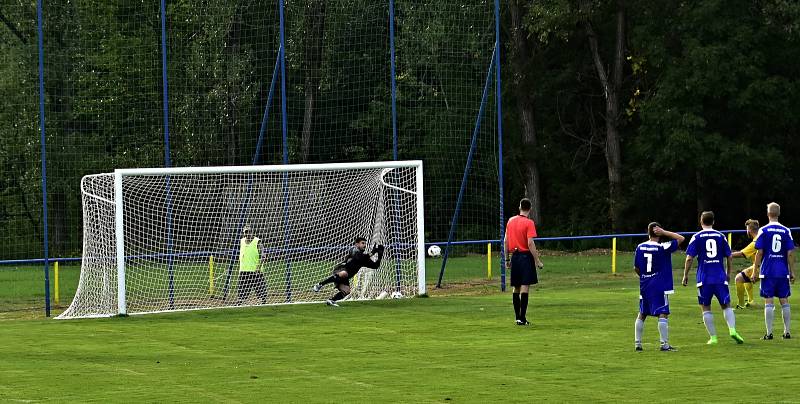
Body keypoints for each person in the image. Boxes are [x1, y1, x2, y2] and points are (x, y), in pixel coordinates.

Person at [682, 211, 744, 345]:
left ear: (701, 221)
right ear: (713, 222)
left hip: (704, 278)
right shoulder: (721, 236)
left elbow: (689, 258)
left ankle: (713, 337)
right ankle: (732, 330)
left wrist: (685, 275)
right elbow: (729, 256)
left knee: (705, 307)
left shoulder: (696, 237)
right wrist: (728, 273)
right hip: (720, 277)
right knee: (726, 305)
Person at [634, 222, 684, 352]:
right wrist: (665, 232)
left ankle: (638, 344)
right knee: (663, 313)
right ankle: (664, 344)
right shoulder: (663, 247)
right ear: (658, 232)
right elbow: (681, 238)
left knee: (643, 312)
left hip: (644, 284)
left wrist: (645, 277)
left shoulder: (640, 247)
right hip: (659, 285)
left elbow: (636, 268)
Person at [754, 202, 796, 340]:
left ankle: (769, 333)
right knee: (784, 300)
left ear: (768, 214)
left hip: (768, 271)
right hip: (782, 271)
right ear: (779, 214)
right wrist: (792, 272)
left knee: (769, 301)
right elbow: (790, 253)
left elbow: (759, 252)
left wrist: (755, 270)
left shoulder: (763, 230)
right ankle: (787, 332)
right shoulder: (786, 231)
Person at [504, 198, 544, 326]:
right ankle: (522, 318)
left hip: (514, 256)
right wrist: (537, 260)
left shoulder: (510, 221)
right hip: (525, 257)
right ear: (530, 209)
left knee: (516, 287)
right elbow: (530, 243)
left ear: (519, 207)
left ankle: (517, 317)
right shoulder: (529, 223)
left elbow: (505, 241)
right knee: (525, 286)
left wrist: (507, 259)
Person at [312, 237, 384, 307]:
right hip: (341, 269)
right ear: (356, 244)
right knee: (344, 273)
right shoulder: (354, 250)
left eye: (365, 243)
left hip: (346, 276)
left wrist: (380, 255)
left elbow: (375, 266)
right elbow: (359, 257)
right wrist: (373, 252)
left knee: (346, 291)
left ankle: (331, 300)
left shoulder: (364, 258)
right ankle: (320, 285)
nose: (364, 245)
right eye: (362, 243)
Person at [732, 219, 760, 309]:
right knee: (746, 276)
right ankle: (751, 302)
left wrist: (726, 254)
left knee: (738, 278)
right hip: (765, 266)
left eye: (747, 229)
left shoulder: (755, 243)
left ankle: (741, 305)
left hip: (762, 268)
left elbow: (741, 254)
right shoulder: (760, 238)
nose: (746, 231)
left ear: (750, 230)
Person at [238, 225, 268, 305]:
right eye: (246, 232)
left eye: (249, 232)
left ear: (252, 232)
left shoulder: (257, 241)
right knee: (241, 293)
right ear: (243, 233)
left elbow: (263, 256)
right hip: (244, 270)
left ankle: (263, 304)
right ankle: (241, 304)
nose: (247, 234)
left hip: (256, 271)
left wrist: (258, 267)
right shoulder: (241, 241)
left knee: (261, 292)